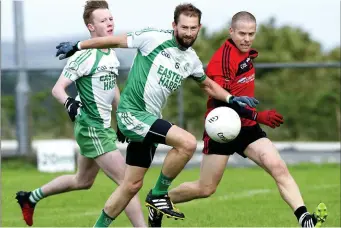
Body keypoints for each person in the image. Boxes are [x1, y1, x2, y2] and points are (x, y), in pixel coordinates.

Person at [55, 3, 260, 227]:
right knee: (187, 143)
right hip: (133, 113)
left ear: (199, 28)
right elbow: (114, 41)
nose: (188, 33)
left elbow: (207, 85)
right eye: (184, 27)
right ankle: (159, 194)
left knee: (130, 186)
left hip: (149, 119)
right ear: (174, 25)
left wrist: (231, 99)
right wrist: (78, 45)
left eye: (193, 28)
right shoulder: (153, 38)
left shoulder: (190, 59)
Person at [148, 11, 328, 228]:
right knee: (205, 188)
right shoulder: (222, 60)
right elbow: (224, 101)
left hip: (248, 128)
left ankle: (304, 220)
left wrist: (254, 119)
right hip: (222, 128)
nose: (247, 38)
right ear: (231, 31)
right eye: (242, 33)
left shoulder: (246, 53)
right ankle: (158, 201)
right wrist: (259, 115)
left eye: (251, 34)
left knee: (278, 167)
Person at [15, 1, 146, 227]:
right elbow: (57, 89)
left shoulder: (110, 53)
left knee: (82, 180)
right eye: (103, 20)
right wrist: (69, 104)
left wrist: (122, 116)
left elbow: (111, 88)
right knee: (129, 184)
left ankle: (30, 197)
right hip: (91, 127)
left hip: (101, 126)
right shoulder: (84, 56)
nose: (109, 23)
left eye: (111, 18)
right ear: (91, 27)